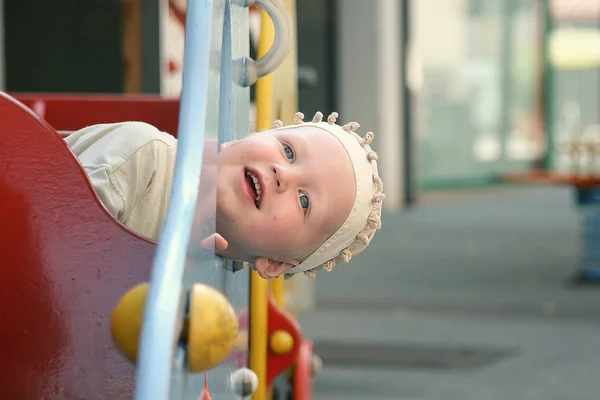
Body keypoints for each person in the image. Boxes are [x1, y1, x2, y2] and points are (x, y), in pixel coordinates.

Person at [65, 111, 384, 279]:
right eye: (287, 151)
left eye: (304, 201)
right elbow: (43, 261)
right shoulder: (142, 155)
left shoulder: (211, 303)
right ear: (240, 140)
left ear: (275, 263)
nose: (282, 174)